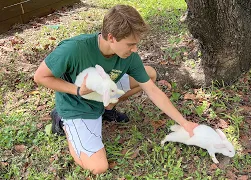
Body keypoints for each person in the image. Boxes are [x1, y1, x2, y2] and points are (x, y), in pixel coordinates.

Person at [34, 4, 198, 175]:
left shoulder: (129, 56)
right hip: (77, 106)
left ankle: (106, 109)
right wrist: (77, 90)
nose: (135, 49)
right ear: (111, 37)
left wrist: (184, 123)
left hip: (102, 92)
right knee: (98, 167)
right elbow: (40, 77)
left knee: (149, 75)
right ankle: (62, 122)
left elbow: (152, 90)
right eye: (130, 44)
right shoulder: (74, 48)